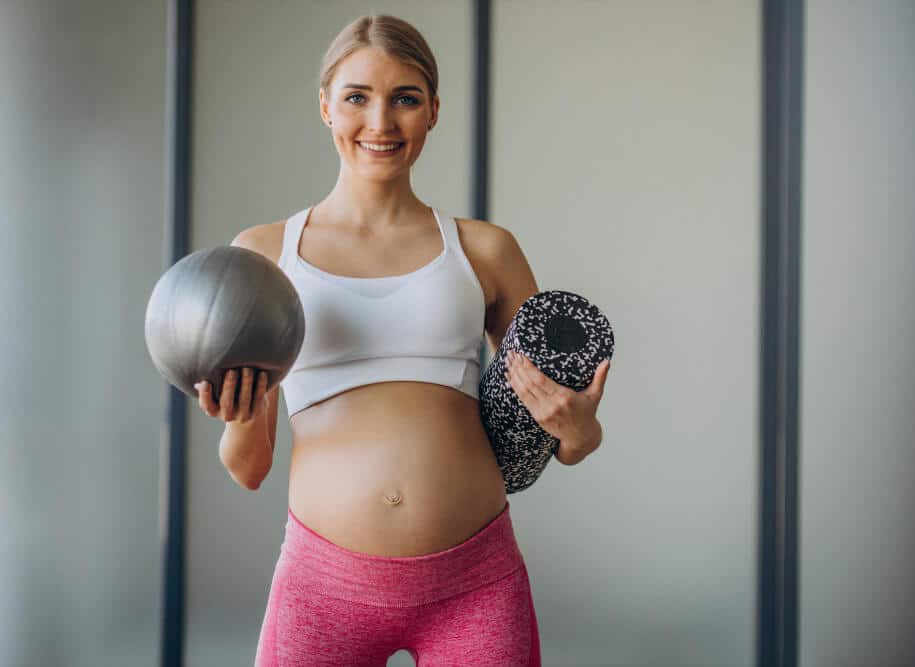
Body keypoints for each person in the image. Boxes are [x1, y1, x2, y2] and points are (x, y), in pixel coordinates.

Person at [194, 14, 610, 666]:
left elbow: (560, 437)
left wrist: (581, 433)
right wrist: (242, 416)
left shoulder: (487, 250)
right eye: (358, 96)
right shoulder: (265, 254)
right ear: (326, 107)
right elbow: (249, 468)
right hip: (322, 586)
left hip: (475, 583)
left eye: (405, 99)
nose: (381, 122)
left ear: (434, 111)